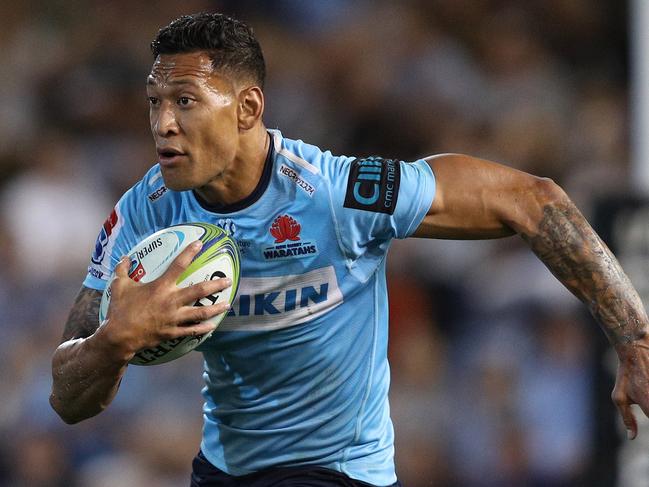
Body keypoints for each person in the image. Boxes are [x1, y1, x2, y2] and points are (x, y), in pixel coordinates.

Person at [49, 12, 649, 487]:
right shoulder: (143, 213)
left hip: (338, 471)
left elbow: (532, 200)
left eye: (185, 100)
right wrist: (114, 341)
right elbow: (67, 399)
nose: (163, 124)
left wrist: (634, 337)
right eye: (154, 101)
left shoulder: (336, 193)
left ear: (248, 108)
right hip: (223, 471)